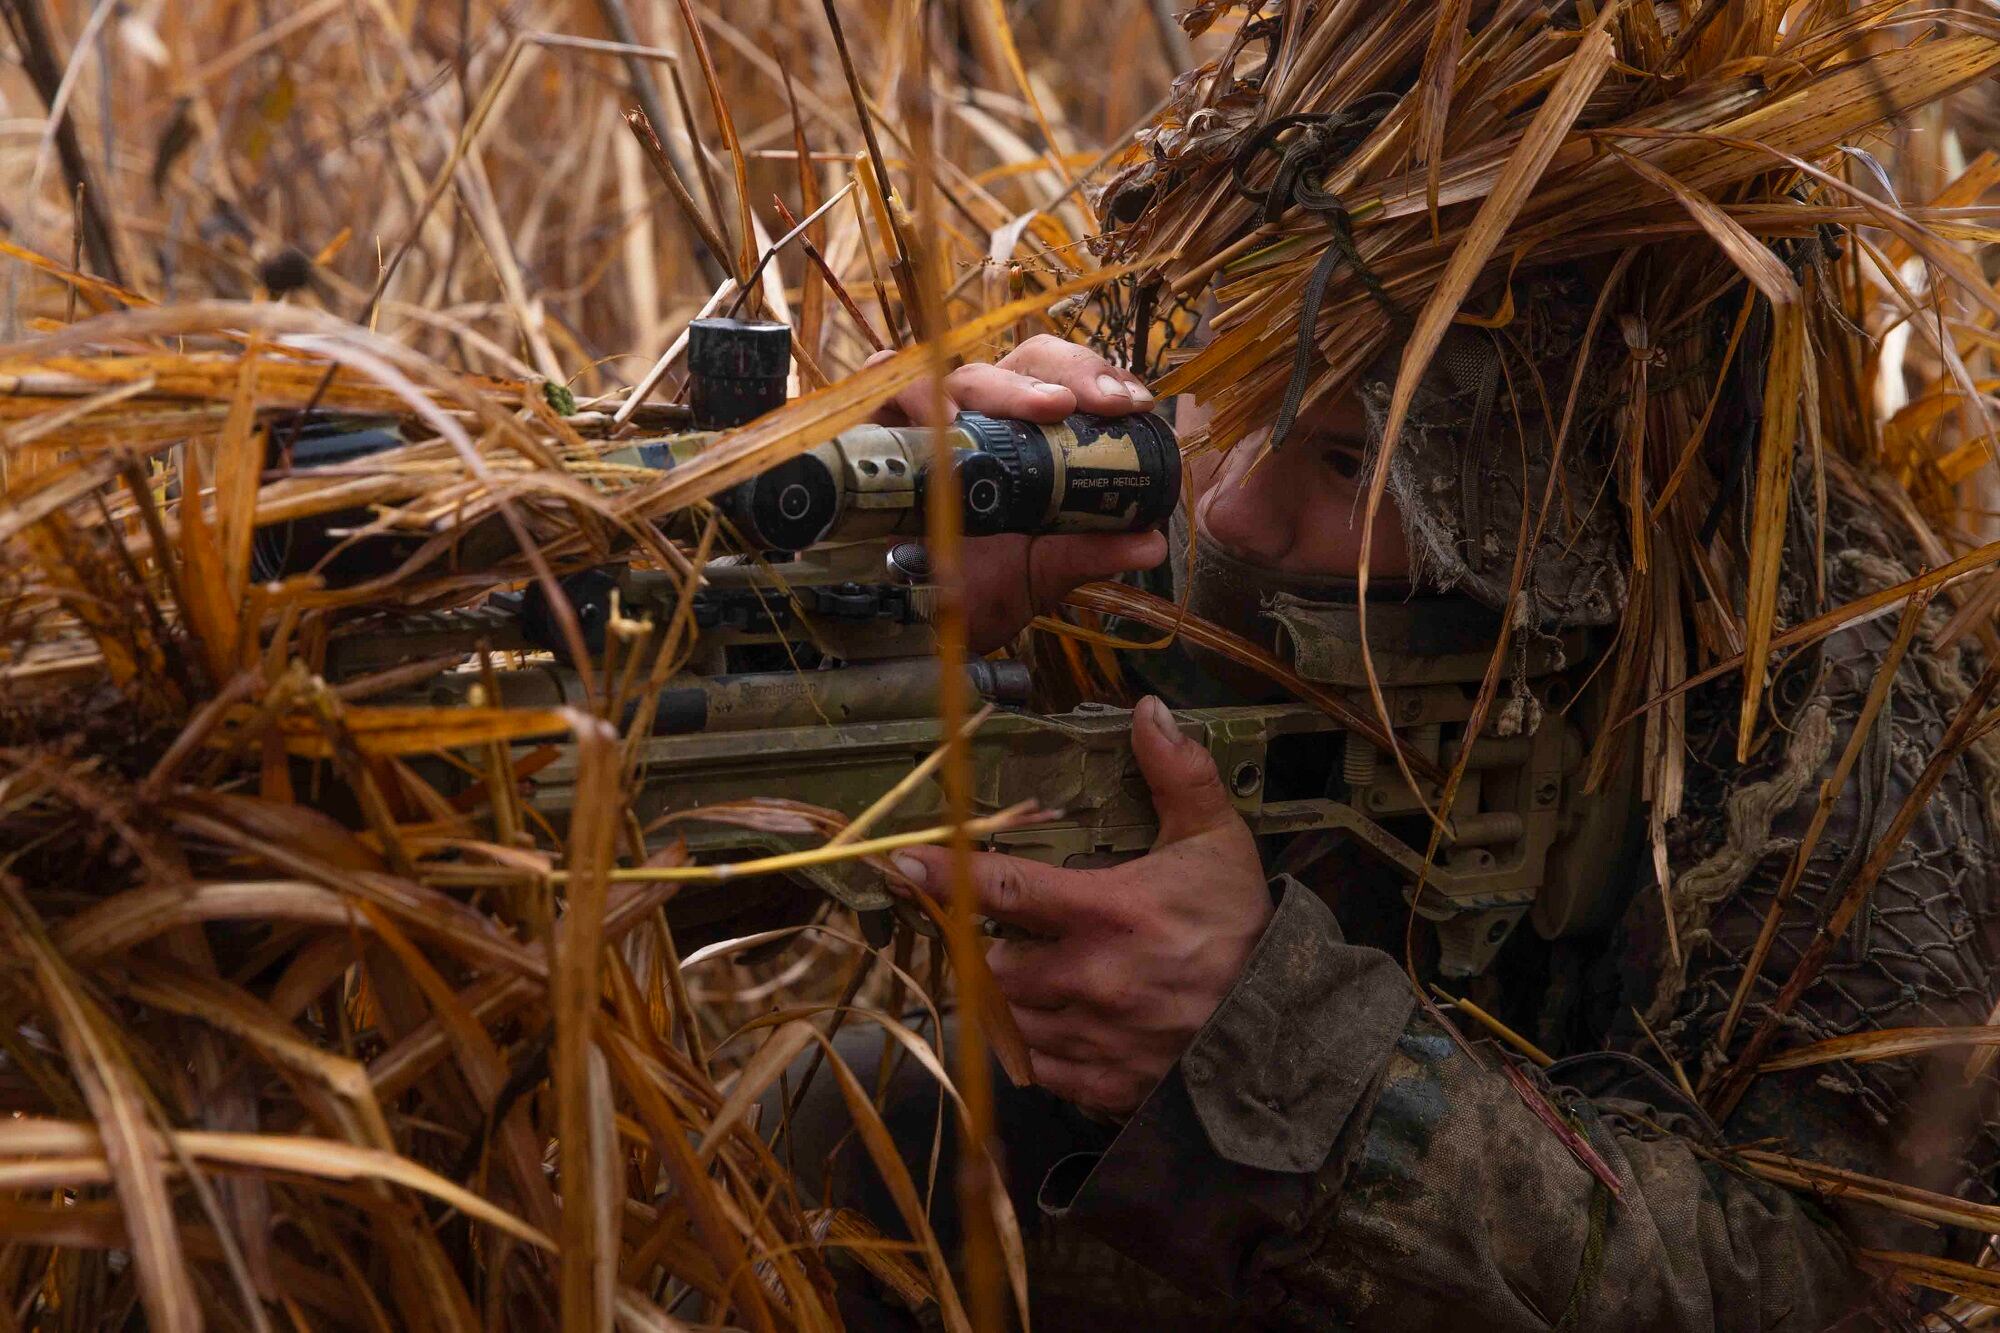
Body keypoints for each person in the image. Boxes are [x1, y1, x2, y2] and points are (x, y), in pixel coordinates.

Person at [777, 287, 2000, 1329]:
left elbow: (1838, 1287)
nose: (1233, 512)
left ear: (1565, 503)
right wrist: (885, 613)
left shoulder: (1835, 733)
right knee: (861, 1125)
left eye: (1353, 459)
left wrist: (1283, 1046)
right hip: (1303, 1237)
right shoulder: (1178, 523)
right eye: (1239, 403)